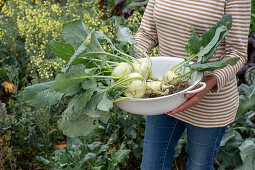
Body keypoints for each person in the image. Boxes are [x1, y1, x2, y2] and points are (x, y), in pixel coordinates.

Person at [135, 0, 251, 169]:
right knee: (151, 166)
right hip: (164, 94)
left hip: (209, 103)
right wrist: (132, 64)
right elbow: (147, 33)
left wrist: (209, 83)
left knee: (199, 166)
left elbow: (236, 52)